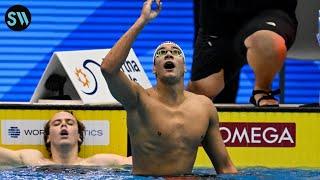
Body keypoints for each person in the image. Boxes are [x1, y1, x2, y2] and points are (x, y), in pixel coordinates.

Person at [100, 0, 237, 176]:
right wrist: (142, 20)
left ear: (185, 67)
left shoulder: (204, 107)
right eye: (161, 53)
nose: (169, 54)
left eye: (176, 52)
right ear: (154, 69)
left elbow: (225, 167)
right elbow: (108, 69)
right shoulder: (139, 99)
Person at [188, 0, 298, 106]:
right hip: (219, 20)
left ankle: (262, 89)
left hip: (270, 12)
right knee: (202, 90)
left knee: (267, 44)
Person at [0, 111, 132, 166]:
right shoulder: (34, 160)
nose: (63, 125)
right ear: (48, 138)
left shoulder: (96, 162)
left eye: (70, 123)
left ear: (79, 136)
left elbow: (136, 162)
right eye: (57, 124)